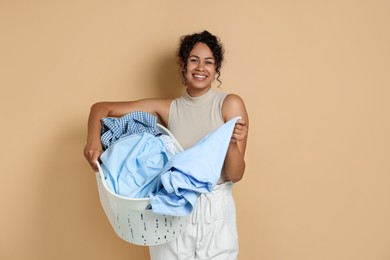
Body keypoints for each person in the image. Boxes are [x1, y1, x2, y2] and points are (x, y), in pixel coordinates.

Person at [84, 30, 249, 260]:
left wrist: (229, 142)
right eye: (194, 60)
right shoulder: (168, 109)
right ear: (183, 64)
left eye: (208, 62)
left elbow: (235, 174)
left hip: (215, 211)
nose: (201, 67)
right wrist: (93, 143)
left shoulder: (230, 105)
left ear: (216, 68)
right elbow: (101, 109)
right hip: (172, 210)